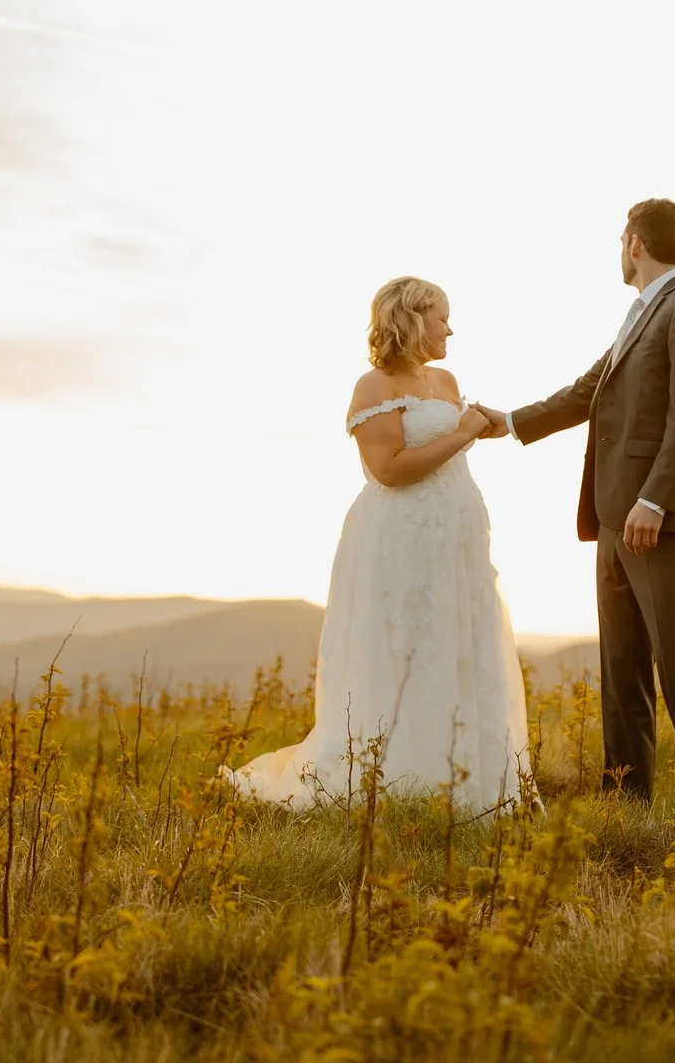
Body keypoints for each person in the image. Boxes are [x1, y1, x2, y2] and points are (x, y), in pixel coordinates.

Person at [224, 277, 533, 811]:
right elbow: (388, 470)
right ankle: (403, 789)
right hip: (402, 541)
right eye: (442, 316)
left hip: (455, 542)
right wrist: (462, 432)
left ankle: (472, 790)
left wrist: (482, 427)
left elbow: (449, 449)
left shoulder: (446, 378)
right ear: (412, 319)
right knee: (407, 652)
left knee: (462, 648)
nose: (450, 327)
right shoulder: (374, 387)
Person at [473, 199, 675, 800]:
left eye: (621, 240)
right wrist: (508, 420)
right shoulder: (640, 314)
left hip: (664, 521)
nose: (620, 251)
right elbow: (590, 390)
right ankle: (626, 799)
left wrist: (656, 501)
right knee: (623, 670)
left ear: (636, 243)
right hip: (615, 519)